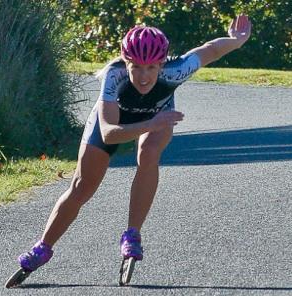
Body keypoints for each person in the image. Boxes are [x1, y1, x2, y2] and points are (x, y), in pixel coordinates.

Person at [16, 14, 252, 277]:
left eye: (152, 68)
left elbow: (211, 50)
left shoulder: (176, 71)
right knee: (83, 186)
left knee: (149, 153)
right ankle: (43, 247)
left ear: (162, 63)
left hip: (158, 116)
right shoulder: (114, 77)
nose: (143, 76)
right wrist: (152, 123)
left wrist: (237, 40)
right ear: (125, 62)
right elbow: (108, 134)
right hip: (118, 121)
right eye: (136, 67)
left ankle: (132, 234)